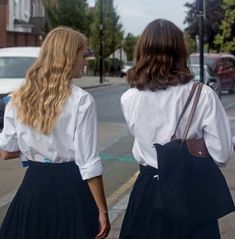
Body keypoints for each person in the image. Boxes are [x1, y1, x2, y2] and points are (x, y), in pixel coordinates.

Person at [119, 19, 233, 239]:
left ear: (142, 51)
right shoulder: (203, 95)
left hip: (147, 191)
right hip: (190, 191)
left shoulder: (129, 98)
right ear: (180, 51)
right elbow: (221, 154)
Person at [0, 26, 110, 239]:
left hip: (33, 189)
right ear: (68, 57)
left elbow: (6, 151)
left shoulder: (17, 98)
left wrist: (34, 150)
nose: (85, 60)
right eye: (82, 54)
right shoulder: (81, 101)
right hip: (71, 192)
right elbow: (88, 163)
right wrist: (103, 210)